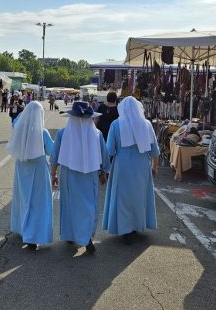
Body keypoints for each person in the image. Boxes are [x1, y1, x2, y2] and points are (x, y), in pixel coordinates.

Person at [51, 101, 110, 253]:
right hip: (90, 175)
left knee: (70, 205)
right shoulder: (97, 134)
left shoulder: (63, 133)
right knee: (89, 206)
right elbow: (104, 157)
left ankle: (70, 235)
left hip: (69, 175)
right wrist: (104, 173)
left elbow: (55, 157)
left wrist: (53, 174)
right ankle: (86, 237)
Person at [102, 96, 160, 245]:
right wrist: (155, 166)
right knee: (139, 197)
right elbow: (154, 150)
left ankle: (125, 228)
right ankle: (136, 225)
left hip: (122, 166)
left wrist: (104, 169)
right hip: (142, 166)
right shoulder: (146, 124)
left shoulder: (116, 124)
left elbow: (109, 150)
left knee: (123, 198)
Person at [7, 101, 54, 250]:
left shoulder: (19, 128)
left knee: (24, 198)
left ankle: (22, 229)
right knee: (38, 202)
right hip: (39, 168)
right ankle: (33, 235)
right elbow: (51, 151)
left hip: (22, 166)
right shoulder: (43, 132)